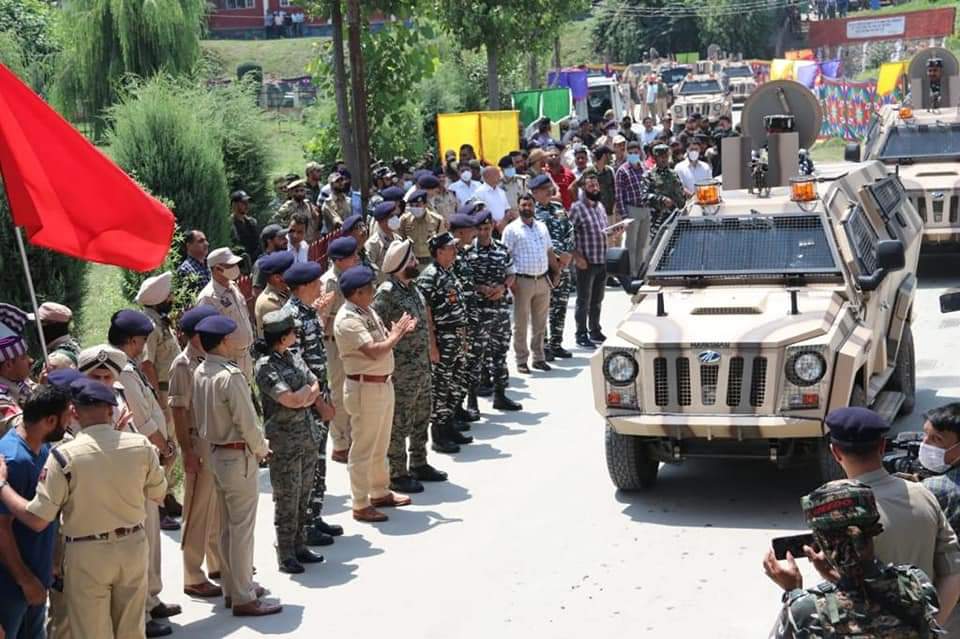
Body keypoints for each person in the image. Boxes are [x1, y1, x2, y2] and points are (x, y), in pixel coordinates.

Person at [0, 378, 166, 638]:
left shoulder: (62, 455)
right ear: (111, 411)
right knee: (132, 630)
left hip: (87, 555)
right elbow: (158, 494)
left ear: (76, 413)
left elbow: (37, 518)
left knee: (92, 632)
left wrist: (1, 485)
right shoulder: (140, 445)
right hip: (132, 547)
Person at [815, 407, 960, 625]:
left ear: (835, 452)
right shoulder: (924, 493)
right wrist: (930, 628)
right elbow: (953, 570)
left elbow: (844, 592)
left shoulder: (833, 508)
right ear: (882, 447)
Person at [763, 479, 943, 638]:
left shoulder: (807, 609)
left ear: (821, 540)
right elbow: (869, 599)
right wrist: (834, 576)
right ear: (874, 530)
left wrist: (793, 592)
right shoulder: (915, 584)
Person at [192, 315, 280, 616]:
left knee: (228, 528)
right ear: (223, 342)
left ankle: (234, 588)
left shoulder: (201, 370)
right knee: (241, 530)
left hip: (216, 454)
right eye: (230, 337)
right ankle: (244, 596)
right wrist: (261, 449)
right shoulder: (229, 376)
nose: (234, 341)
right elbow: (246, 421)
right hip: (236, 454)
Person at [108, 310, 180, 635]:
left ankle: (153, 598)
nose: (145, 344)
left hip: (150, 460)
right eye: (144, 339)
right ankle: (143, 613)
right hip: (141, 462)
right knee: (144, 538)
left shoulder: (129, 366)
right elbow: (143, 418)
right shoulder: (121, 371)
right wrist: (165, 446)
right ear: (134, 340)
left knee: (153, 536)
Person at [334, 266, 416, 522]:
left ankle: (379, 491)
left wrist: (396, 333)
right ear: (357, 293)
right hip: (364, 387)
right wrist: (397, 334)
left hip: (380, 384)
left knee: (381, 442)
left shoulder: (365, 310)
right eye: (369, 288)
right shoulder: (348, 318)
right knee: (363, 447)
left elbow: (382, 340)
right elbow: (373, 350)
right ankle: (360, 503)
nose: (373, 291)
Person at [373, 240, 448, 492]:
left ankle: (419, 461)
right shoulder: (386, 292)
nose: (417, 262)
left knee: (421, 416)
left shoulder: (413, 288)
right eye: (412, 260)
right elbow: (376, 327)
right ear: (401, 264)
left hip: (421, 367)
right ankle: (397, 472)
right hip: (401, 371)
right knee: (399, 421)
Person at [254, 309, 326, 573]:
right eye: (293, 332)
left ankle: (299, 545)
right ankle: (285, 553)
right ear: (282, 337)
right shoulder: (265, 366)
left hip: (306, 436)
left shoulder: (293, 357)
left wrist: (304, 395)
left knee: (304, 493)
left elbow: (314, 382)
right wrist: (305, 396)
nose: (297, 335)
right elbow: (289, 399)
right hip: (284, 442)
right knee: (287, 497)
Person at [0, 385, 71, 638]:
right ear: (50, 420)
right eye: (66, 417)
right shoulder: (13, 460)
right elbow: (2, 528)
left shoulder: (42, 449)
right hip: (12, 585)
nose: (70, 421)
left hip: (36, 577)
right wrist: (25, 580)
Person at [167, 306, 223, 601]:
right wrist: (187, 451)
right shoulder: (183, 364)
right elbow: (177, 410)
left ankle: (216, 563)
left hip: (214, 440)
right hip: (198, 443)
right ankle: (192, 574)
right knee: (197, 510)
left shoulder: (210, 358)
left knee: (216, 508)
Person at [281, 262, 339, 546]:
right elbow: (296, 369)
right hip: (307, 405)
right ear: (303, 286)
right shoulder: (291, 318)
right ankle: (303, 525)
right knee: (307, 464)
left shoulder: (306, 313)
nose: (320, 286)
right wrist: (318, 404)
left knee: (318, 461)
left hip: (318, 398)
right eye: (316, 282)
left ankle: (314, 517)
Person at [136, 272, 185, 525]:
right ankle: (157, 506)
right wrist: (157, 399)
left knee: (172, 445)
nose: (172, 298)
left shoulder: (160, 321)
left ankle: (167, 494)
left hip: (171, 389)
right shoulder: (151, 326)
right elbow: (147, 364)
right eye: (168, 295)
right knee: (164, 448)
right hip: (162, 392)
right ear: (158, 299)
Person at [417, 233, 471, 453]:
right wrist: (432, 345)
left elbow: (459, 308)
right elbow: (426, 313)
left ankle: (449, 426)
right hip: (442, 338)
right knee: (441, 387)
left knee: (454, 385)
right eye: (450, 248)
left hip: (456, 337)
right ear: (439, 251)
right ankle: (438, 434)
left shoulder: (449, 273)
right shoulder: (429, 276)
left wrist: (464, 339)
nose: (454, 251)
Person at [469, 210, 522, 411]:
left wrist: (503, 287)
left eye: (487, 228)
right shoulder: (467, 253)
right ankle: (472, 401)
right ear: (476, 229)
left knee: (500, 354)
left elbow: (511, 273)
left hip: (499, 311)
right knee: (476, 357)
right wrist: (480, 288)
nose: (484, 232)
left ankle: (500, 395)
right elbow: (464, 281)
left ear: (492, 227)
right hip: (479, 313)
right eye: (480, 229)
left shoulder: (502, 249)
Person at [501, 195, 555, 374]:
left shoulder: (542, 227)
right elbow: (505, 256)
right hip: (522, 281)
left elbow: (549, 251)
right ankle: (521, 360)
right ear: (518, 207)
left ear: (534, 206)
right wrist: (511, 282)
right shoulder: (511, 229)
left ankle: (539, 358)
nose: (527, 207)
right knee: (521, 323)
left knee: (540, 324)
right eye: (523, 205)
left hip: (542, 280)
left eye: (530, 204)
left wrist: (556, 273)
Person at [319, 237, 360, 464]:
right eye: (351, 257)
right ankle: (340, 443)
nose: (355, 259)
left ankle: (350, 436)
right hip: (333, 342)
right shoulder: (329, 283)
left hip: (349, 342)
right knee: (337, 392)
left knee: (351, 390)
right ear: (338, 261)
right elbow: (321, 320)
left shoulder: (349, 278)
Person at [569, 171, 616, 349]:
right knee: (583, 301)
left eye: (596, 185)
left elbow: (603, 233)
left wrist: (614, 233)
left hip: (601, 260)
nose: (594, 188)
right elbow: (568, 235)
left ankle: (595, 330)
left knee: (597, 300)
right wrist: (577, 257)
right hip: (586, 262)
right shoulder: (577, 208)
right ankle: (581, 333)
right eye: (590, 185)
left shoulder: (600, 207)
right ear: (583, 188)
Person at [530, 175, 574, 361]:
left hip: (563, 266)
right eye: (544, 189)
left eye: (549, 187)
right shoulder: (531, 213)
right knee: (542, 308)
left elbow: (570, 231)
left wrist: (567, 254)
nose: (549, 191)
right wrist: (556, 256)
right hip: (544, 268)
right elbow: (535, 240)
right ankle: (543, 345)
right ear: (535, 193)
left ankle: (556, 343)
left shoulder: (558, 209)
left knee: (560, 305)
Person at [197, 247, 255, 382]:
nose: (235, 268)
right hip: (228, 361)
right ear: (217, 269)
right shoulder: (208, 298)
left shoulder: (233, 287)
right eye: (230, 265)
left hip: (245, 356)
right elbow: (207, 338)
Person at [615, 140, 650, 277]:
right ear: (626, 154)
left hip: (645, 209)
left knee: (642, 244)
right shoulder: (622, 171)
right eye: (631, 153)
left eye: (636, 152)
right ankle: (632, 273)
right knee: (631, 245)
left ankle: (641, 271)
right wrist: (625, 216)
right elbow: (619, 195)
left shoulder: (644, 168)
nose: (634, 155)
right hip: (631, 209)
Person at [0, 304, 36, 436]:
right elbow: (21, 426)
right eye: (23, 357)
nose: (31, 360)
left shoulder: (20, 380)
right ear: (9, 365)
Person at [643, 143, 686, 242]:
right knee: (658, 249)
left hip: (675, 218)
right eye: (661, 157)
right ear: (655, 158)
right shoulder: (649, 175)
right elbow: (644, 196)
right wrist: (661, 199)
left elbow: (681, 193)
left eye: (666, 156)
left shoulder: (673, 174)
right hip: (658, 220)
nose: (664, 159)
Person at [398, 189, 447, 266]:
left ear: (425, 204)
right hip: (412, 260)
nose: (414, 208)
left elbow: (443, 243)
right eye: (412, 206)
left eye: (417, 205)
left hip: (431, 259)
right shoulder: (404, 220)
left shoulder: (437, 220)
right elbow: (400, 240)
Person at [253, 251, 295, 335]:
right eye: (290, 271)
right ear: (277, 278)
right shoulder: (268, 302)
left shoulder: (286, 290)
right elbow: (285, 333)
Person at [33, 302, 81, 375]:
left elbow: (48, 386)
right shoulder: (72, 346)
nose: (35, 327)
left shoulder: (56, 360)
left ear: (52, 326)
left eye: (39, 323)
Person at [273, 179, 321, 243]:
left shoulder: (308, 204)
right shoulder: (287, 206)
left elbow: (316, 217)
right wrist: (287, 227)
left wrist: (316, 231)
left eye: (302, 190)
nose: (300, 193)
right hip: (296, 243)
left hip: (310, 241)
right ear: (291, 193)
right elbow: (275, 220)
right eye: (296, 191)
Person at [366, 201, 401, 283]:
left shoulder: (398, 239)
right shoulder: (373, 244)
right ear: (382, 221)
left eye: (395, 215)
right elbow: (369, 271)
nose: (395, 218)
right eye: (391, 216)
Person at [251, 224, 289, 298]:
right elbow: (257, 292)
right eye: (281, 238)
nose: (286, 240)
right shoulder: (262, 264)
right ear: (269, 241)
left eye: (285, 237)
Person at [229, 190, 260, 267]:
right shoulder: (229, 225)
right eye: (243, 203)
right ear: (234, 205)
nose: (247, 205)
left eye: (247, 202)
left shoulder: (252, 222)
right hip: (240, 265)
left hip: (256, 262)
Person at [475, 165, 511, 231]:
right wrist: (496, 224)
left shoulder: (501, 191)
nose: (500, 177)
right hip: (490, 228)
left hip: (504, 227)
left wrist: (504, 222)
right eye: (497, 174)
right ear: (488, 177)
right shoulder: (479, 192)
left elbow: (507, 209)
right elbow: (481, 212)